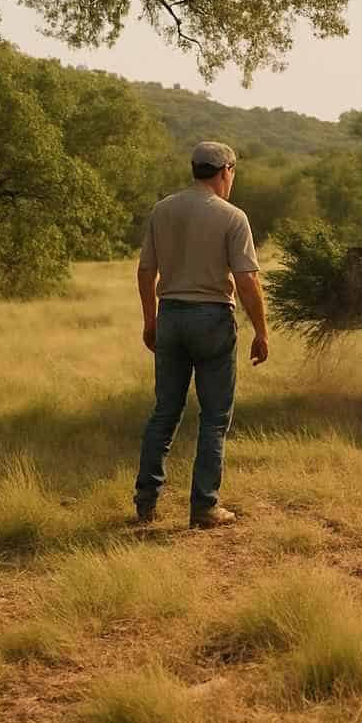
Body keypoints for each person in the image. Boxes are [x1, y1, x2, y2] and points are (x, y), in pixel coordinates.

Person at [133, 140, 269, 529]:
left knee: (164, 412)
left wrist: (151, 320)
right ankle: (204, 507)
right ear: (226, 170)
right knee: (214, 417)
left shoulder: (162, 210)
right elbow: (247, 281)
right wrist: (261, 331)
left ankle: (146, 503)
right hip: (212, 318)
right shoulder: (232, 216)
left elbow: (146, 272)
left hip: (171, 316)